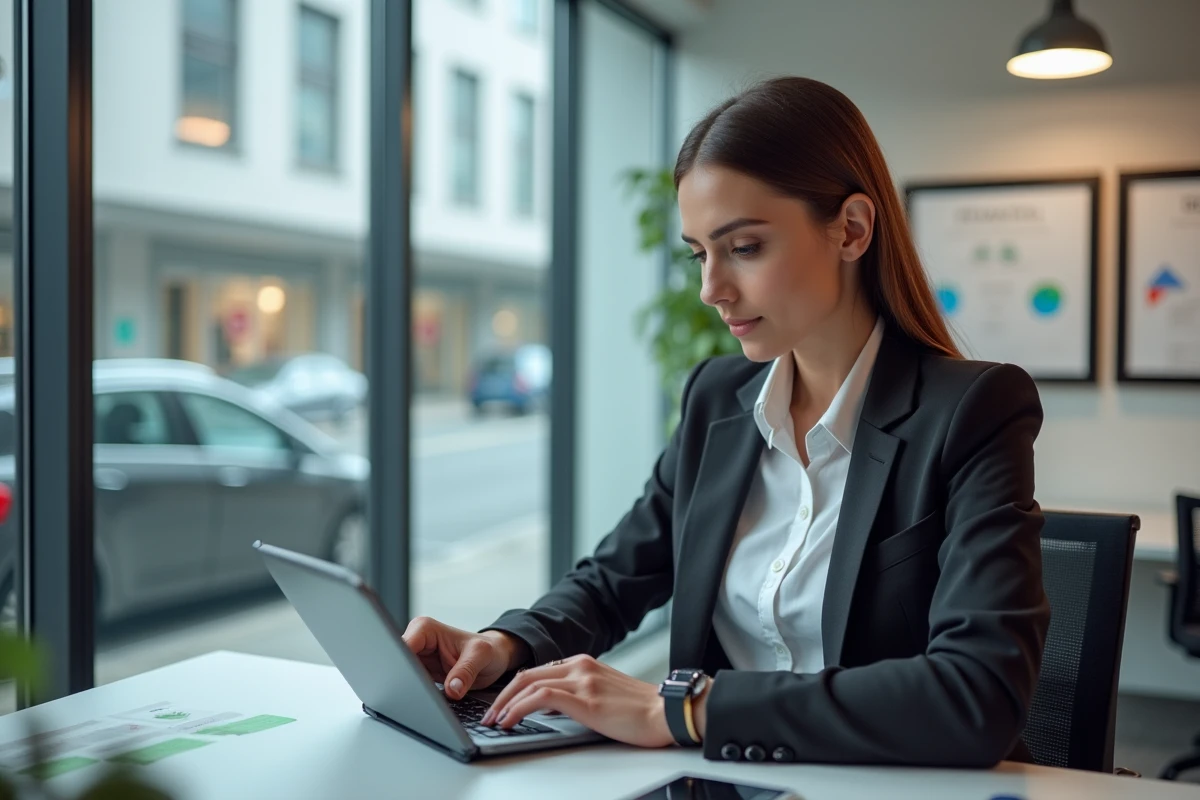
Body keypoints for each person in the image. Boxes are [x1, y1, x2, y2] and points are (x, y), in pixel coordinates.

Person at [402, 76, 1050, 768]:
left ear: (852, 230)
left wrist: (682, 708)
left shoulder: (973, 411)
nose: (712, 289)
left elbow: (977, 694)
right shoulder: (719, 398)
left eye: (744, 248)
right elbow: (615, 577)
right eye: (699, 254)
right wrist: (507, 644)